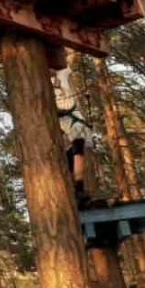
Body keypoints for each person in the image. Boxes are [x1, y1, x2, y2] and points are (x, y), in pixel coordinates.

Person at [53, 66, 92, 202]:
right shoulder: (52, 78)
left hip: (72, 121)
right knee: (74, 155)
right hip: (67, 123)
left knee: (76, 152)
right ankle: (77, 189)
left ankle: (78, 188)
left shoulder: (61, 73)